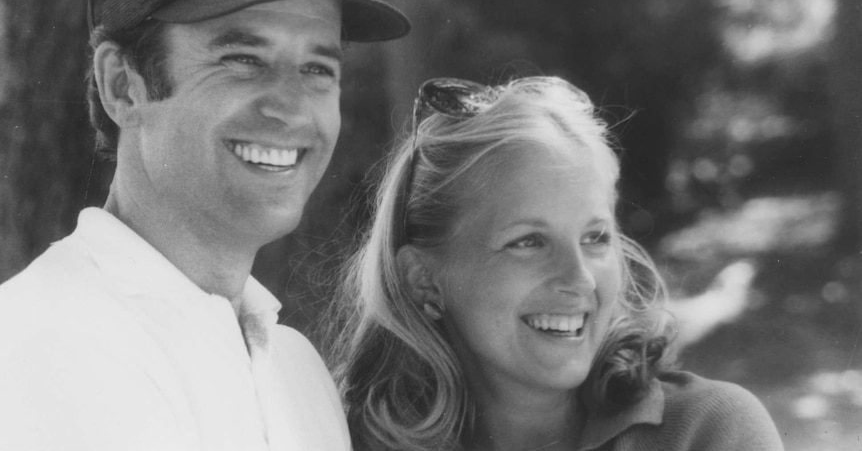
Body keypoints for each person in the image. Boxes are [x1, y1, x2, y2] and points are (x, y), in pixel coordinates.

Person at [0, 0, 409, 449]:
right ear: (123, 86)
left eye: (318, 68)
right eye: (242, 57)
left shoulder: (298, 371)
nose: (290, 107)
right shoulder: (46, 344)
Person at [326, 76, 784, 451]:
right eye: (528, 241)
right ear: (424, 280)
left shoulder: (709, 432)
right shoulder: (339, 439)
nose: (579, 278)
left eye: (595, 238)